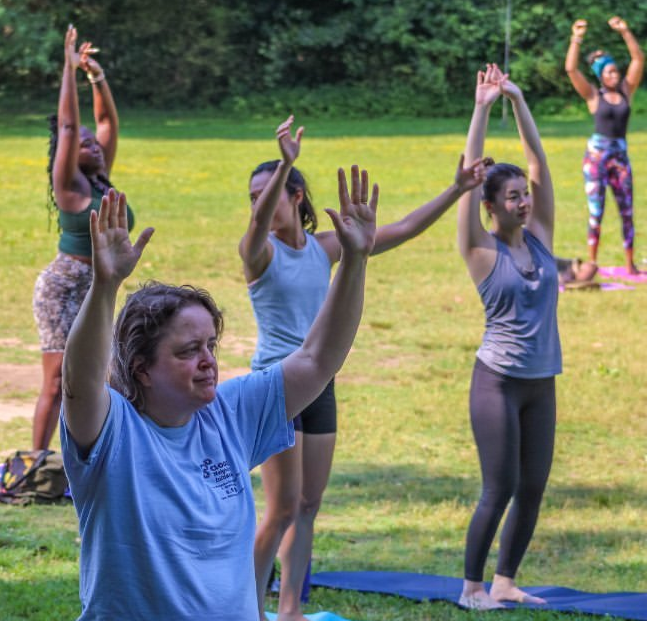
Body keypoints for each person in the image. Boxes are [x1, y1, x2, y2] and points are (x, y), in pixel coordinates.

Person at [59, 163, 376, 619]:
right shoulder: (112, 434)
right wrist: (106, 286)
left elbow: (317, 359)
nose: (209, 360)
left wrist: (355, 261)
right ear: (142, 369)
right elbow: (78, 380)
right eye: (188, 351)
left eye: (211, 344)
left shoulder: (230, 413)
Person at [243, 117, 483, 619]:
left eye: (269, 192)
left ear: (298, 197)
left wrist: (456, 189)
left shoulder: (325, 248)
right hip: (275, 388)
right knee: (281, 508)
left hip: (320, 384)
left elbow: (401, 229)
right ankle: (244, 606)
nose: (259, 203)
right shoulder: (258, 254)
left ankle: (288, 610)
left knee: (308, 505)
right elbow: (256, 228)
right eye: (252, 196)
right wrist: (285, 163)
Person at [457, 64, 560, 610]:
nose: (523, 201)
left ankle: (505, 580)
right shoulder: (480, 250)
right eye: (513, 196)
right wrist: (481, 108)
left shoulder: (540, 238)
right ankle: (472, 587)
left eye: (525, 194)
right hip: (496, 382)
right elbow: (471, 173)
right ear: (491, 206)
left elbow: (540, 162)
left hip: (542, 382)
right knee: (497, 488)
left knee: (533, 488)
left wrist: (517, 100)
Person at [33, 24, 131, 451]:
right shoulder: (70, 182)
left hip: (99, 286)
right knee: (56, 381)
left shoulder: (101, 175)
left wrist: (96, 75)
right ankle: (36, 461)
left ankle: (93, 451)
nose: (91, 144)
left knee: (102, 373)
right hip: (63, 288)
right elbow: (71, 128)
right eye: (83, 144)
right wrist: (68, 70)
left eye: (95, 143)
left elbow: (106, 119)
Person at [565, 16, 644, 274]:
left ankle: (630, 264)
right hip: (596, 158)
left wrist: (625, 31)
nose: (615, 74)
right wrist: (576, 38)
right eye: (609, 71)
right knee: (596, 212)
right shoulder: (592, 96)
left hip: (619, 157)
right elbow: (571, 70)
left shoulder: (625, 92)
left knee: (626, 210)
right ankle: (592, 263)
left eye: (615, 70)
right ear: (600, 75)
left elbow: (638, 59)